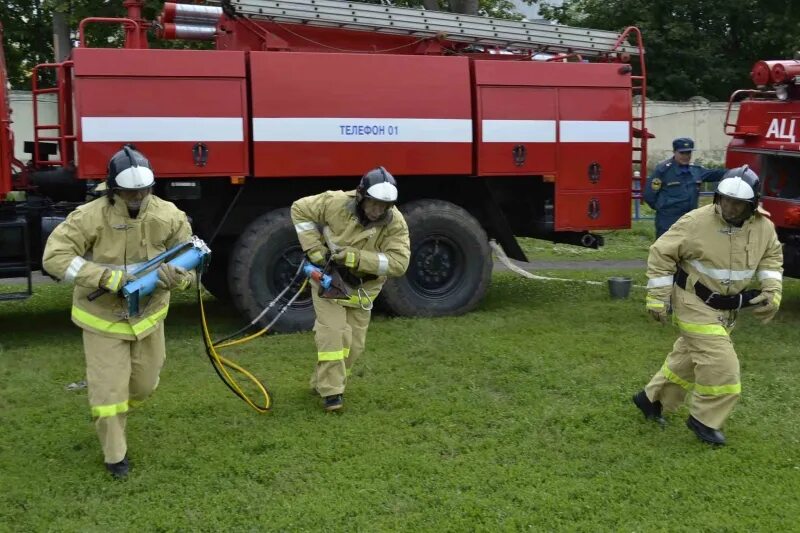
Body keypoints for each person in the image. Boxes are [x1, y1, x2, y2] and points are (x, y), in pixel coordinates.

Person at [43, 145, 195, 478]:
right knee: (108, 394)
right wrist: (107, 278)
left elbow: (191, 262)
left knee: (143, 386)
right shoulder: (89, 217)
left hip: (149, 318)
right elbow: (54, 258)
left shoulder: (170, 215)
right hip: (102, 319)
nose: (138, 197)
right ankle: (115, 455)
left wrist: (178, 280)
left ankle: (114, 419)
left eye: (144, 190)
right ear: (113, 191)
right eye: (130, 192)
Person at [632, 165, 783, 445]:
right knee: (720, 363)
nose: (729, 207)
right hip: (693, 302)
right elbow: (661, 253)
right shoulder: (695, 222)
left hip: (727, 309)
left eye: (737, 203)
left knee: (687, 359)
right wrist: (657, 298)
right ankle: (704, 420)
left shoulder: (764, 227)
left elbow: (771, 258)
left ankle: (650, 399)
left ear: (751, 205)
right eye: (724, 199)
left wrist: (772, 291)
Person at [291, 167, 410, 412]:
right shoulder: (335, 203)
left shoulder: (395, 222)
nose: (378, 211)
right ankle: (332, 394)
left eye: (385, 206)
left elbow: (399, 263)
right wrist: (313, 250)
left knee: (353, 346)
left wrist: (356, 258)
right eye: (374, 203)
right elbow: (299, 209)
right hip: (330, 283)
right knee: (333, 334)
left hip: (363, 291)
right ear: (360, 195)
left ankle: (320, 383)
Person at [643, 137, 727, 238]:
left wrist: (739, 171)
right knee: (666, 251)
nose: (686, 156)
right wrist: (663, 208)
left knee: (687, 251)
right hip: (668, 221)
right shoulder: (663, 170)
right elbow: (649, 195)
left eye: (688, 153)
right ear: (674, 152)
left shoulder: (695, 171)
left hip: (689, 220)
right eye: (682, 153)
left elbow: (716, 174)